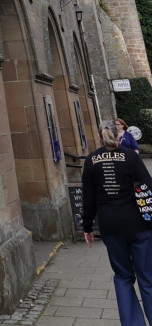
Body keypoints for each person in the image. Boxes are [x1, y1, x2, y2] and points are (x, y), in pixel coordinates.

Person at [83, 123, 152, 326]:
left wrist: (87, 227)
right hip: (139, 225)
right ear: (118, 136)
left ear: (99, 137)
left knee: (123, 276)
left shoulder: (91, 160)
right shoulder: (131, 157)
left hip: (111, 227)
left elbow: (88, 198)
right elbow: (148, 186)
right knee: (147, 277)